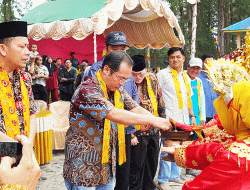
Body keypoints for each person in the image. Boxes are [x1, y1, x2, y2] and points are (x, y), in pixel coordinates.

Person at [63, 50, 171, 190]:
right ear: (107, 70)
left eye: (126, 80)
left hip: (106, 165)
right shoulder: (88, 89)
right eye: (120, 78)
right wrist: (153, 121)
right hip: (83, 166)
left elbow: (134, 107)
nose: (122, 83)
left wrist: (159, 120)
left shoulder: (116, 90)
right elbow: (113, 113)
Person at [161, 59, 250, 190]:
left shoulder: (236, 155)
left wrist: (183, 146)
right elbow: (217, 149)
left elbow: (220, 145)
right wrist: (183, 151)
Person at [85, 31, 140, 190]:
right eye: (114, 48)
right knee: (104, 173)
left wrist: (133, 126)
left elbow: (133, 98)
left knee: (123, 171)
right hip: (104, 130)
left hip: (125, 129)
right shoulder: (96, 70)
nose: (119, 52)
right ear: (106, 48)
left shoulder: (126, 68)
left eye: (122, 49)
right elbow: (93, 103)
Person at [156, 47, 196, 190]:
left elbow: (188, 98)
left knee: (181, 147)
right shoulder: (162, 74)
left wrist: (192, 116)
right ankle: (163, 179)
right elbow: (156, 95)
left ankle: (175, 176)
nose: (175, 60)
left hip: (184, 118)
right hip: (169, 117)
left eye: (178, 57)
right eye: (172, 57)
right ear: (168, 59)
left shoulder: (185, 76)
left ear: (184, 59)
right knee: (169, 146)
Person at [129, 55, 166, 190]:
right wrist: (131, 134)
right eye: (134, 74)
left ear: (146, 70)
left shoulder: (152, 78)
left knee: (152, 163)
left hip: (154, 130)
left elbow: (160, 100)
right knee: (136, 166)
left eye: (140, 74)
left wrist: (162, 123)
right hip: (136, 132)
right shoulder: (126, 81)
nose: (138, 77)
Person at [0, 21, 37, 143]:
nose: (27, 52)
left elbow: (32, 115)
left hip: (24, 151)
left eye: (27, 46)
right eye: (22, 47)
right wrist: (19, 147)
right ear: (3, 49)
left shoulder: (25, 78)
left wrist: (28, 146)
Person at [198, 54, 219, 123]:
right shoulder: (197, 77)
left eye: (212, 63)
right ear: (202, 64)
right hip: (203, 115)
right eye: (207, 63)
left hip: (216, 113)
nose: (210, 65)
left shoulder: (217, 77)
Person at [186, 58, 206, 127]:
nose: (195, 71)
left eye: (197, 68)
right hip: (185, 119)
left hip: (197, 119)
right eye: (192, 68)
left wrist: (203, 117)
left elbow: (202, 99)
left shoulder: (199, 81)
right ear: (188, 66)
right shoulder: (182, 79)